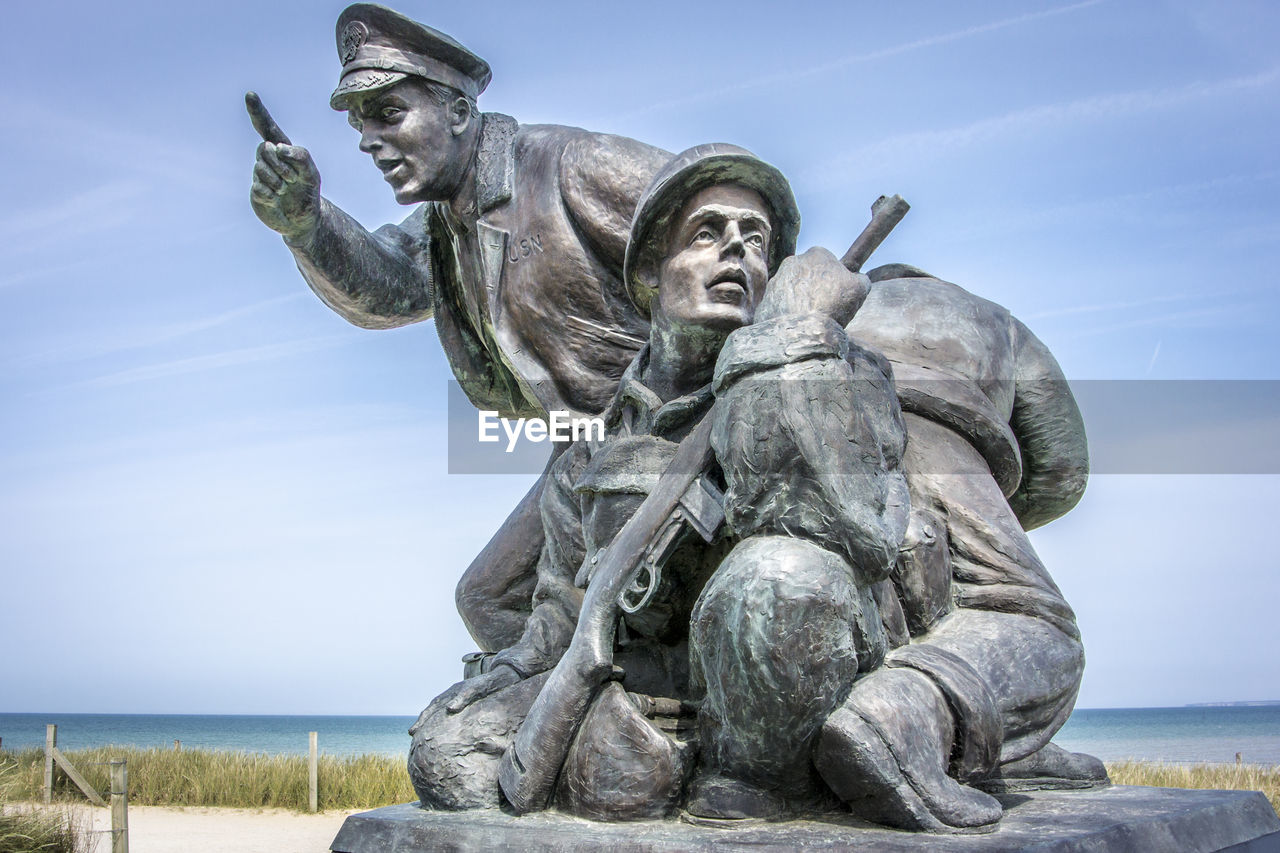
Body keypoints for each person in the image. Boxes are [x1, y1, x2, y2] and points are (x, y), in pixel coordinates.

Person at [406, 143, 917, 823]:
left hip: (774, 690)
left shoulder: (827, 366)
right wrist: (524, 659)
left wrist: (792, 344)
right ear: (651, 270)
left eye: (757, 241)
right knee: (445, 753)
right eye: (707, 232)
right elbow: (564, 599)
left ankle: (727, 778)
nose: (737, 250)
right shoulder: (595, 440)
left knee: (766, 595)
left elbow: (859, 535)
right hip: (639, 682)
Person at [247, 3, 671, 651]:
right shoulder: (445, 224)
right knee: (489, 597)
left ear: (459, 112)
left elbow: (718, 211)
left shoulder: (569, 165)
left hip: (672, 432)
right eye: (363, 124)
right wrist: (304, 221)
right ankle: (574, 722)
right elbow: (385, 286)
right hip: (585, 452)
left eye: (390, 113)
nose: (369, 141)